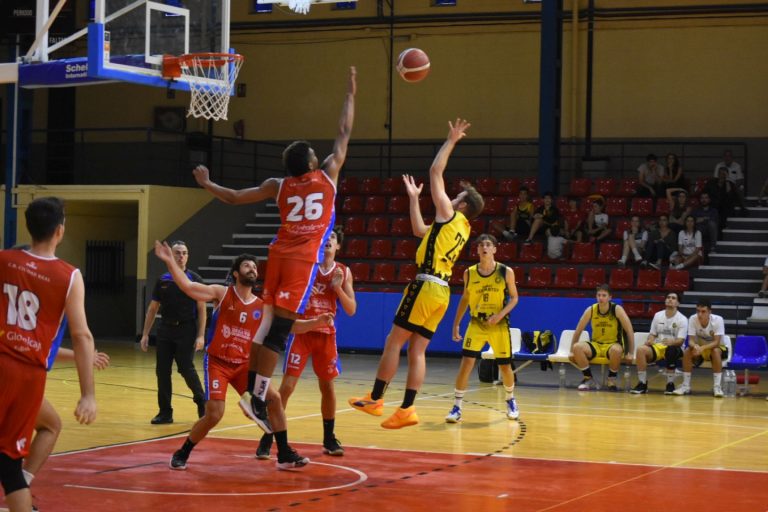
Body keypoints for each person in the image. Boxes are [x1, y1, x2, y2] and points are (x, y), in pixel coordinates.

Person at [192, 67, 356, 434]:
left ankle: (254, 391)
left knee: (266, 325)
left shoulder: (277, 184)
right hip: (300, 262)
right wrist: (351, 93)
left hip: (277, 254)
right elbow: (344, 133)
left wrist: (207, 183)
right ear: (313, 163)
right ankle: (257, 395)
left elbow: (234, 198)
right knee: (279, 330)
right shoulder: (328, 175)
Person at [348, 119, 484, 429]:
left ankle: (376, 398)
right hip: (442, 292)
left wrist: (451, 140)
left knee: (393, 342)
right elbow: (419, 230)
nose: (449, 197)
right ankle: (407, 409)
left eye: (456, 197)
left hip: (425, 286)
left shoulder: (450, 214)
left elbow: (435, 172)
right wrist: (413, 199)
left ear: (461, 205)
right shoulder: (460, 228)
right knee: (418, 349)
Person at [153, 244, 333, 470]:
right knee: (214, 414)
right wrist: (170, 261)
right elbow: (189, 287)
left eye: (255, 267)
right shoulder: (222, 293)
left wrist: (315, 323)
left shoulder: (262, 305)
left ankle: (285, 453)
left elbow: (289, 326)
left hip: (244, 366)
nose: (252, 269)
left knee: (275, 399)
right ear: (236, 273)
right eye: (247, 265)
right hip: (218, 362)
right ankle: (183, 451)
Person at [0, 197, 97, 512]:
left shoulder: (3, 260)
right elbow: (82, 335)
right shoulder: (69, 276)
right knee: (10, 465)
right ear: (60, 230)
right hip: (26, 375)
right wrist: (88, 394)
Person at [256, 227, 356, 459]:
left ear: (338, 245)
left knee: (327, 387)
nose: (329, 241)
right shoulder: (307, 268)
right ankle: (269, 436)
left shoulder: (343, 271)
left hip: (326, 335)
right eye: (326, 237)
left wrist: (338, 288)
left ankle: (329, 438)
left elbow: (351, 309)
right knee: (287, 387)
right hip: (301, 332)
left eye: (333, 238)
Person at [445, 234, 519, 423]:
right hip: (476, 323)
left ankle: (510, 399)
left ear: (494, 249)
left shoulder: (506, 271)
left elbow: (514, 298)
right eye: (481, 245)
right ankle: (457, 407)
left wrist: (499, 315)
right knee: (466, 365)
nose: (484, 247)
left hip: (498, 324)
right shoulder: (469, 273)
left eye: (488, 244)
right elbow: (465, 298)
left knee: (504, 366)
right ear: (477, 250)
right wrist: (456, 323)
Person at [23, 348, 109, 493]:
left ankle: (19, 487)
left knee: (50, 425)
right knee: (50, 426)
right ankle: (20, 486)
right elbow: (38, 348)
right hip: (15, 378)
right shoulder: (30, 328)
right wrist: (84, 355)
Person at [139, 240, 207, 424]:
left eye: (184, 253)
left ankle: (202, 401)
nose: (181, 256)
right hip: (165, 329)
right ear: (171, 255)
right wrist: (145, 334)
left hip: (187, 329)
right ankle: (165, 412)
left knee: (185, 368)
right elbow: (153, 309)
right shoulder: (163, 280)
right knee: (162, 371)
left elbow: (202, 309)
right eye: (177, 253)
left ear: (188, 256)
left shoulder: (194, 279)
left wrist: (201, 335)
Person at [570, 284, 635, 391]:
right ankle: (588, 378)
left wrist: (631, 353)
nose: (601, 298)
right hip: (596, 344)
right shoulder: (591, 310)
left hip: (612, 344)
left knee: (616, 350)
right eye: (599, 295)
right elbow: (578, 332)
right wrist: (571, 351)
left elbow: (629, 331)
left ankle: (611, 379)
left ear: (610, 297)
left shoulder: (617, 309)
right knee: (577, 347)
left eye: (604, 295)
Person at [630, 292, 687, 394]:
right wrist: (650, 340)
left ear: (678, 303)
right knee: (640, 349)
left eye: (673, 298)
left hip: (676, 348)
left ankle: (670, 384)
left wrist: (672, 342)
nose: (670, 299)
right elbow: (652, 334)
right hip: (659, 347)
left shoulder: (682, 319)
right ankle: (642, 383)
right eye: (668, 297)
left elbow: (681, 341)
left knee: (671, 350)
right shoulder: (658, 315)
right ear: (665, 300)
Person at [673, 299, 727, 397]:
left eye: (703, 311)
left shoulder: (718, 320)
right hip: (700, 348)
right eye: (698, 311)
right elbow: (690, 341)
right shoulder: (693, 319)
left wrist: (703, 348)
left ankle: (717, 386)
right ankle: (685, 386)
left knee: (715, 351)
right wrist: (695, 346)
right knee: (687, 351)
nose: (700, 314)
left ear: (710, 312)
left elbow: (716, 342)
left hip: (717, 348)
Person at [713, 149, 748, 215]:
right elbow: (716, 178)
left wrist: (733, 187)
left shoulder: (737, 166)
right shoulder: (719, 165)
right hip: (721, 184)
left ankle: (742, 208)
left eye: (729, 156)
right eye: (726, 156)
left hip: (734, 186)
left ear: (732, 157)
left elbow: (740, 180)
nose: (727, 158)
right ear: (723, 157)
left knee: (740, 188)